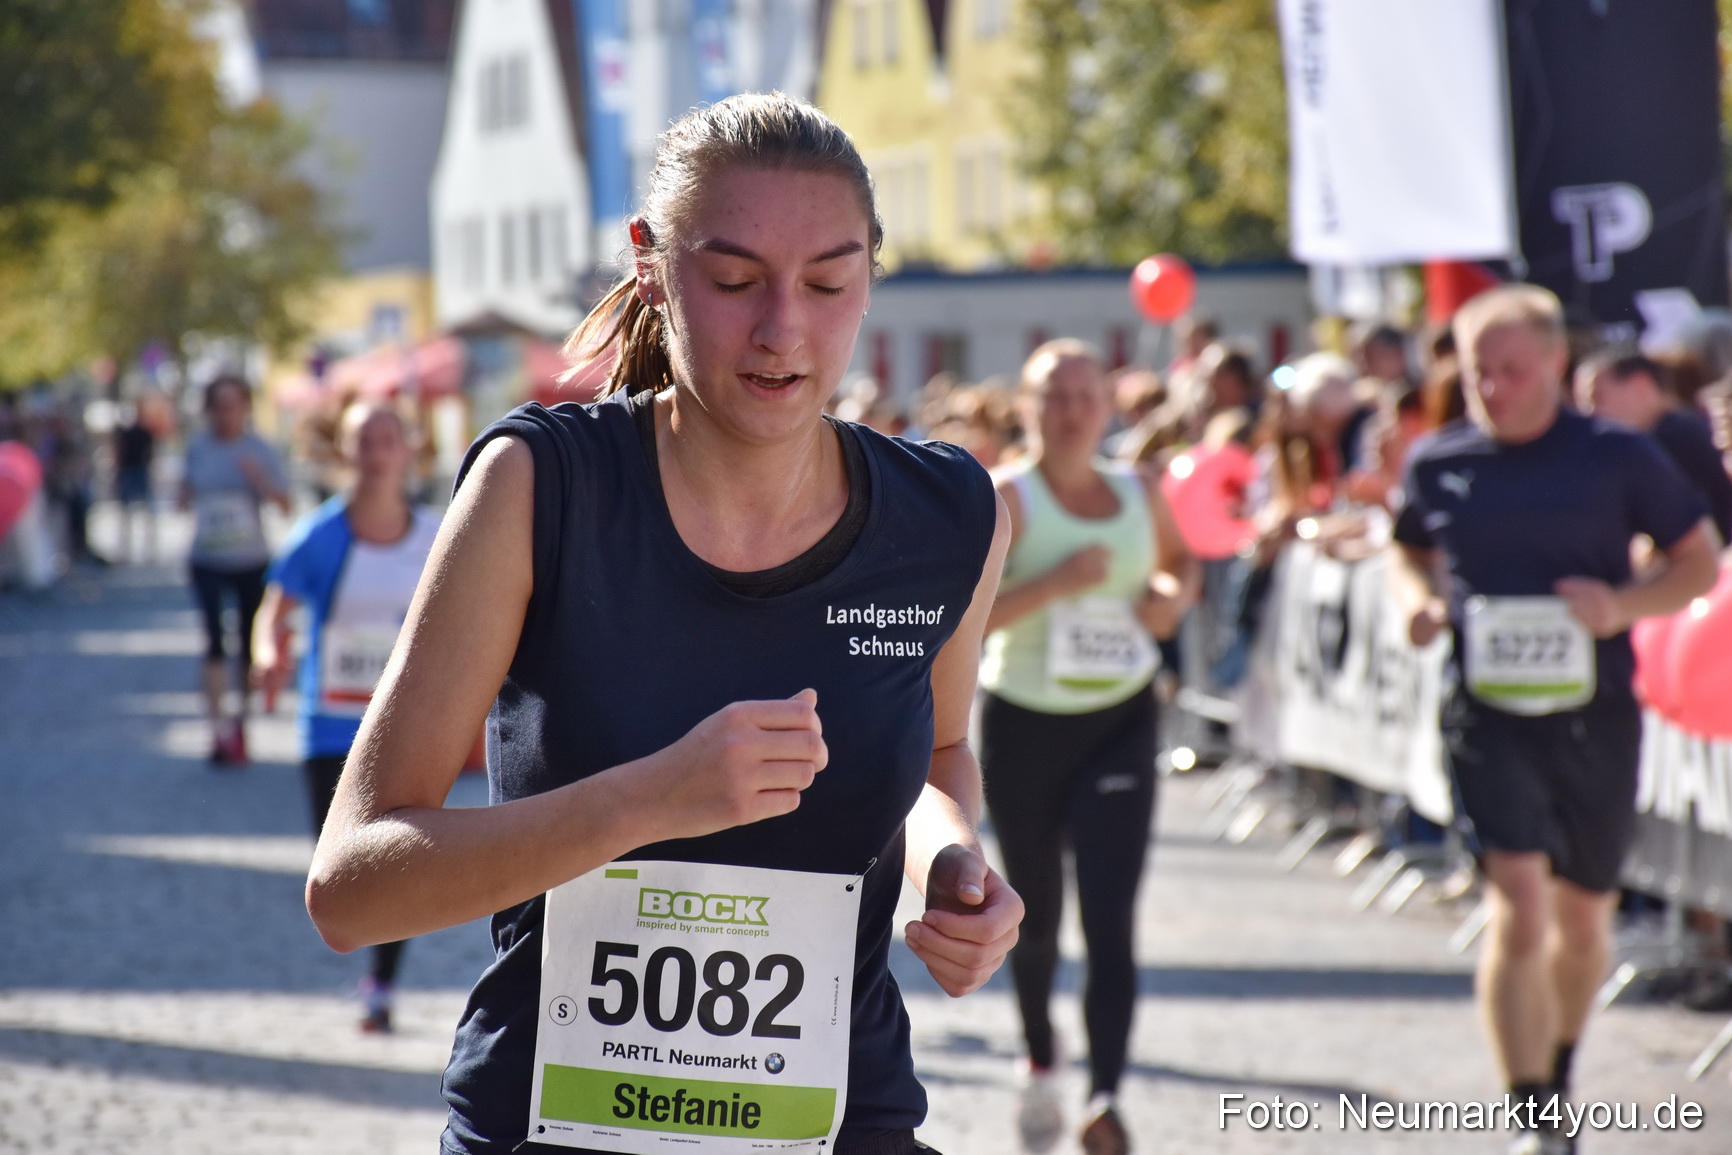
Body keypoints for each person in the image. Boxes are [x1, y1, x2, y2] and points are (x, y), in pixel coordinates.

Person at [303, 94, 1021, 1155]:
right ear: (650, 265)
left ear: (870, 272)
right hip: (554, 1128)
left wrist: (954, 866)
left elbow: (937, 753)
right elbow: (350, 890)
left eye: (828, 281)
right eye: (733, 281)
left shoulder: (949, 513)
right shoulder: (541, 487)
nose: (783, 328)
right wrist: (647, 801)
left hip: (839, 1124)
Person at [1391, 285, 1719, 1155]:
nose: (1492, 388)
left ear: (1555, 365)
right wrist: (1420, 602)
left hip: (1596, 714)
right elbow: (1408, 548)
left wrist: (1619, 603)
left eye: (1511, 369)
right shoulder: (1438, 458)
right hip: (1487, 715)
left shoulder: (1617, 456)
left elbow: (1697, 563)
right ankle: (1529, 1109)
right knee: (1520, 902)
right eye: (1476, 373)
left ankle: (1561, 1068)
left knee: (1582, 918)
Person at [978, 340, 1199, 1155]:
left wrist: (1169, 600)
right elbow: (966, 626)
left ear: (1107, 405)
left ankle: (1107, 1096)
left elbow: (1178, 566)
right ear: (1026, 409)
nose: (1070, 410)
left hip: (1120, 717)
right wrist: (1055, 584)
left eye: (1083, 394)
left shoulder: (1141, 489)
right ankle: (1040, 1056)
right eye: (1052, 396)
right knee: (1033, 918)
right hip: (1025, 721)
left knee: (1112, 918)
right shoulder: (1010, 498)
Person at [252, 401, 439, 1032]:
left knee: (400, 861)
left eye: (389, 438)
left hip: (406, 726)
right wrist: (267, 654)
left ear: (407, 449)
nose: (377, 451)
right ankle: (370, 964)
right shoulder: (320, 535)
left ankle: (381, 987)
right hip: (329, 725)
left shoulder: (438, 536)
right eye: (365, 440)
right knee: (339, 871)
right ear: (346, 452)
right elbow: (274, 611)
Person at [179, 374, 291, 765]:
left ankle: (239, 724)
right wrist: (184, 491)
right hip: (206, 557)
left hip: (251, 559)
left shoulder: (261, 448)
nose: (227, 414)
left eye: (234, 405)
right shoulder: (197, 447)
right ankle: (215, 731)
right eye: (219, 406)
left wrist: (259, 480)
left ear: (245, 407)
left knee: (245, 643)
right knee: (213, 641)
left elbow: (286, 503)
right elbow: (181, 498)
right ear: (209, 409)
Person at [1572, 350, 1732, 543]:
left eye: (1596, 398)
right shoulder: (1686, 426)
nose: (1589, 414)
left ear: (1641, 385)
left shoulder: (1673, 439)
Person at [113, 404, 157, 564]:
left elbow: (150, 454)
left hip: (137, 471)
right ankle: (128, 551)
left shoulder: (144, 433)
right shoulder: (132, 433)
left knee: (144, 515)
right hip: (132, 471)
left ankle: (146, 552)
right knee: (130, 516)